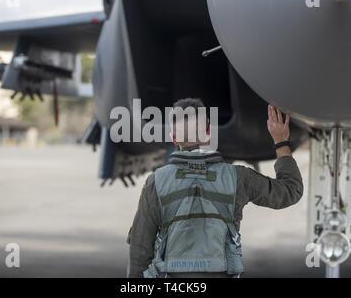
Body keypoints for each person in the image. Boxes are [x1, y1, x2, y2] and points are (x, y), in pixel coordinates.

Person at [127, 98, 304, 278]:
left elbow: (140, 250)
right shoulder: (238, 178)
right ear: (209, 132)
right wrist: (281, 142)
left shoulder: (156, 182)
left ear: (173, 137)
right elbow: (291, 191)